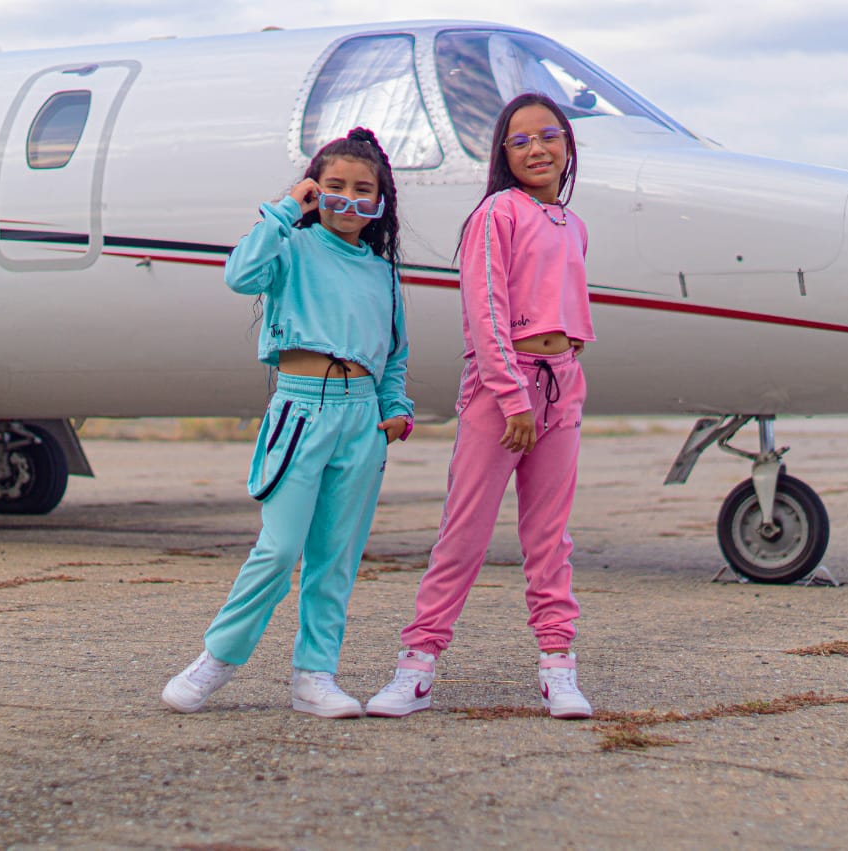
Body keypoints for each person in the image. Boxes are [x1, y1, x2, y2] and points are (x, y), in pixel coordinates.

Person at [162, 127, 414, 719]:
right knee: (278, 550)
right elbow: (239, 274)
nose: (348, 201)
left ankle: (314, 678)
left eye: (363, 190)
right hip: (300, 411)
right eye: (333, 188)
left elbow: (394, 353)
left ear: (380, 203)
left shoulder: (384, 272)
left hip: (362, 420)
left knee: (336, 556)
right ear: (312, 190)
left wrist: (394, 411)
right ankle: (216, 660)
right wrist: (283, 211)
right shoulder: (289, 247)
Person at [366, 93, 595, 720]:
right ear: (502, 155)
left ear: (568, 144)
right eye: (520, 142)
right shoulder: (496, 214)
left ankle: (558, 667)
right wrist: (512, 396)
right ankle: (416, 667)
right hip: (503, 392)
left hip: (562, 384)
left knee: (550, 537)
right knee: (463, 536)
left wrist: (559, 388)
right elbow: (484, 309)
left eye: (548, 136)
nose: (537, 150)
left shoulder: (573, 225)